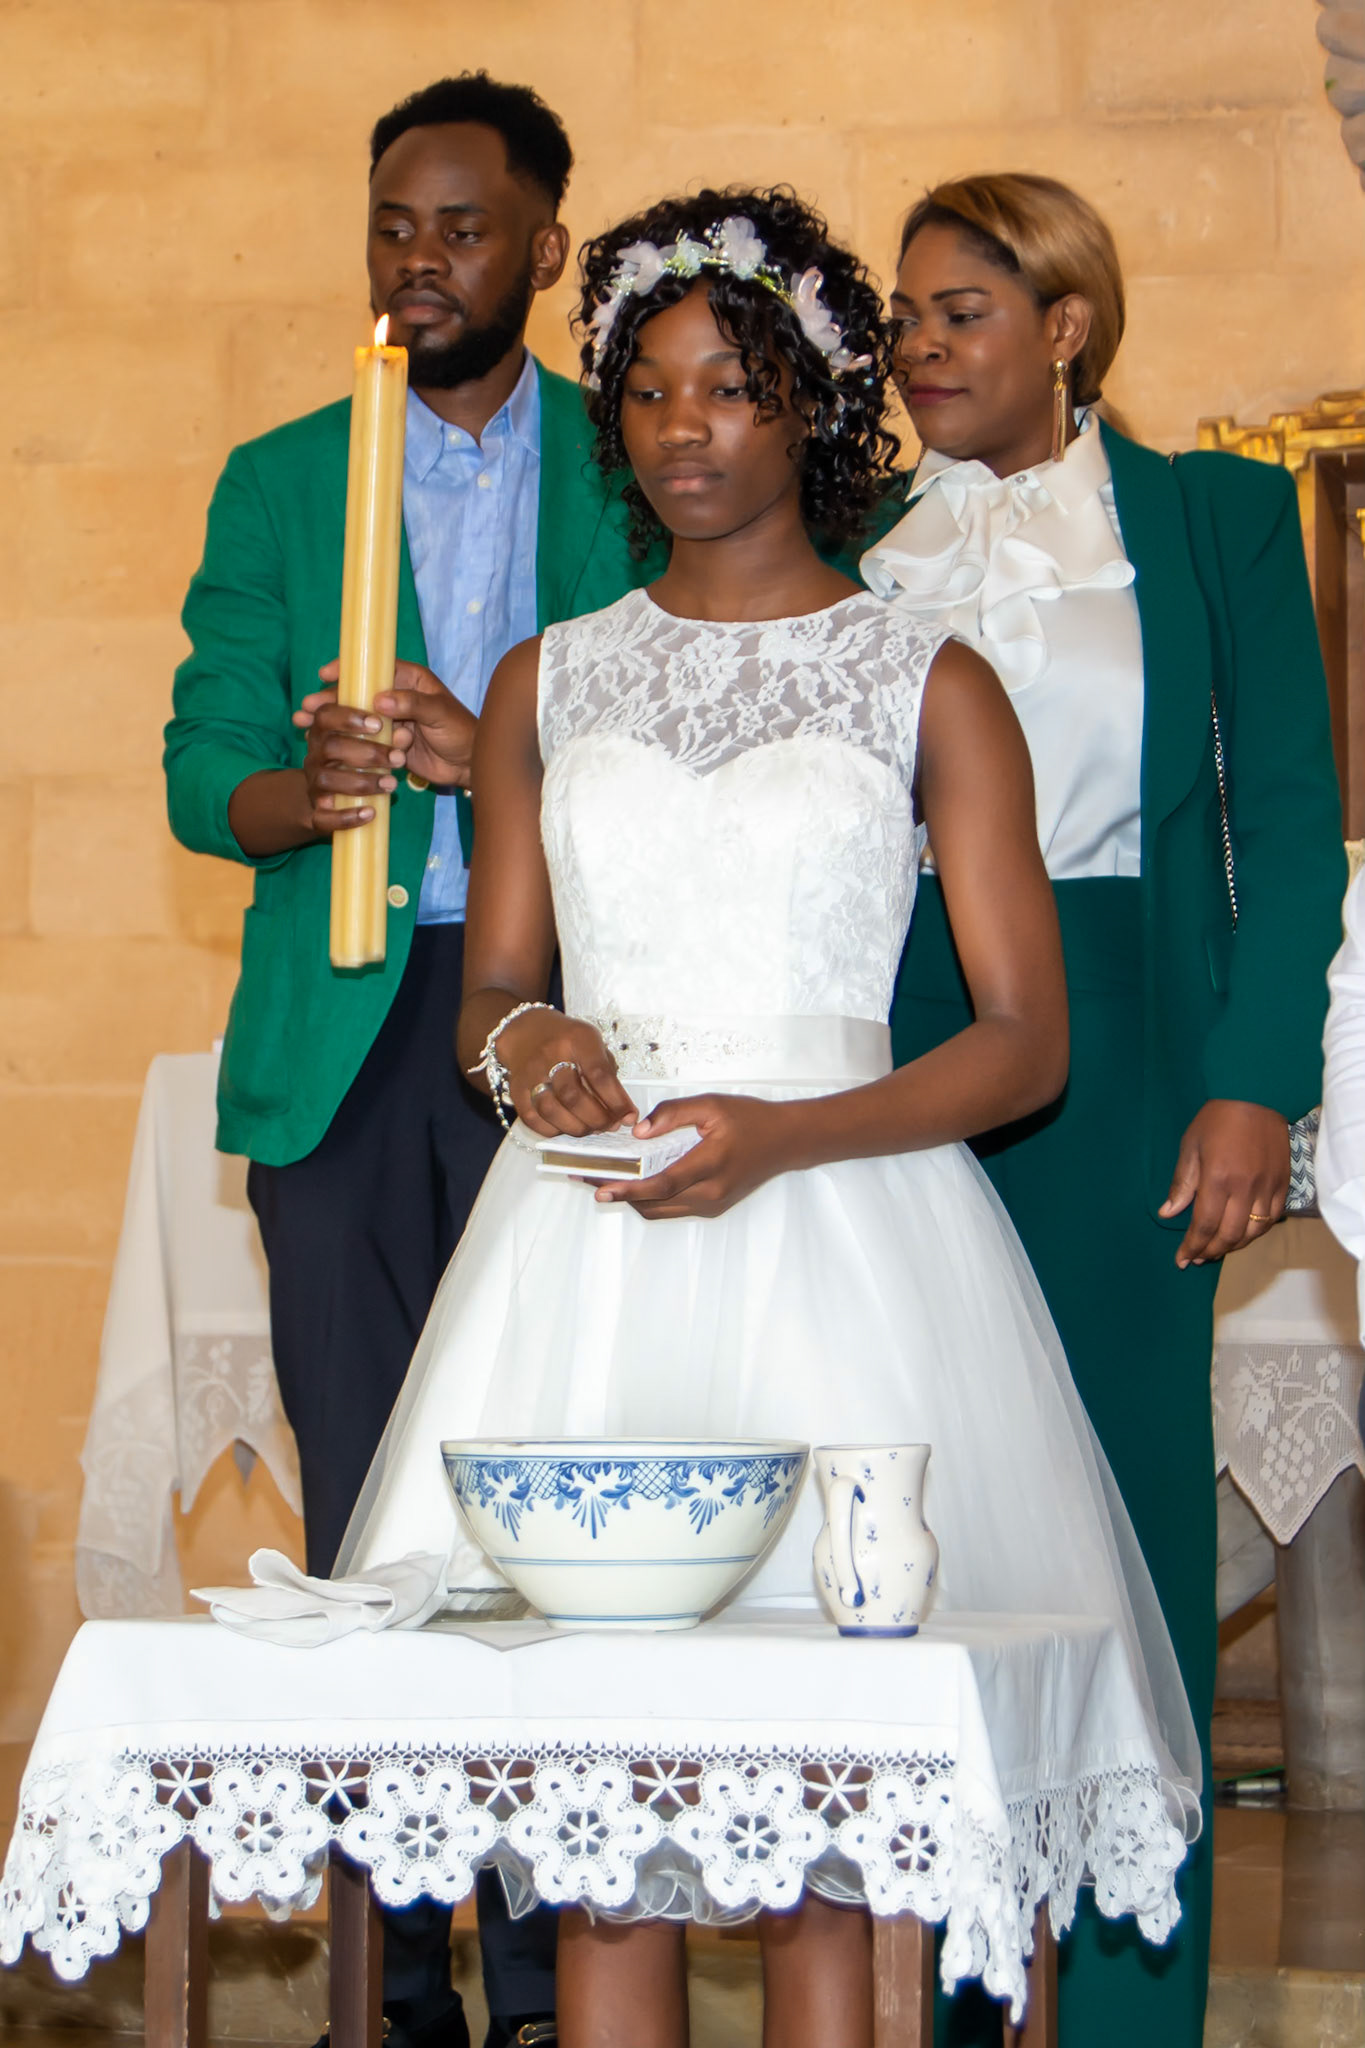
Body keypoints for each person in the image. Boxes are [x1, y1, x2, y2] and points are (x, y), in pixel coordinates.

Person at [336, 185, 1200, 2048]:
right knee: (602, 1824)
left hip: (842, 1232)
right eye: (647, 392)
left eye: (728, 389)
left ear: (810, 406)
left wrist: (789, 1134)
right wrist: (530, 1051)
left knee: (829, 1830)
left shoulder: (928, 677)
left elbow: (1024, 1043)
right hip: (587, 1252)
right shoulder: (547, 678)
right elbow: (495, 987)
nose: (682, 429)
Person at [163, 68, 657, 2048]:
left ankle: (548, 1976)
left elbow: (707, 727)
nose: (419, 259)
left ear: (544, 243)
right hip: (351, 1037)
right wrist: (311, 787)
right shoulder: (283, 476)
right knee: (370, 1512)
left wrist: (501, 755)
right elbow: (202, 769)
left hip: (567, 1020)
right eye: (391, 224)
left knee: (553, 1497)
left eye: (461, 227)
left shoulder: (636, 463)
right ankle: (394, 1979)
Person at [862, 172, 1345, 2048]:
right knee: (907, 1533)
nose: (917, 347)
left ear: (1066, 325)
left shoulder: (1210, 517)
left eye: (960, 311)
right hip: (890, 1045)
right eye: (903, 316)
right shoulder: (852, 534)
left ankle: (1131, 2014)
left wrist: (1253, 1082)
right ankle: (937, 1995)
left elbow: (1286, 820)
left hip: (1130, 1040)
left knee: (1122, 1539)